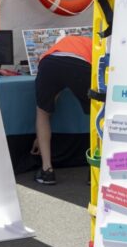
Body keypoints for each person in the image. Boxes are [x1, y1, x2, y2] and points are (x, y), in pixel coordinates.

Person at [32, 34, 92, 185]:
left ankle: (47, 171)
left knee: (42, 113)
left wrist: (40, 136)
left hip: (49, 64)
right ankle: (95, 171)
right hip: (82, 64)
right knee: (96, 114)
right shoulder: (89, 42)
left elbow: (51, 99)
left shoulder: (54, 49)